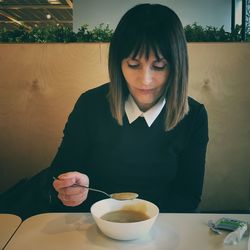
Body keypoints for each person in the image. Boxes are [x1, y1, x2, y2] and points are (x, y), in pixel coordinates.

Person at [21, 3, 206, 216]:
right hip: (91, 221)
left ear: (177, 66)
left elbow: (188, 195)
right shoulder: (90, 104)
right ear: (118, 63)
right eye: (134, 64)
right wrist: (69, 187)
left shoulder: (195, 116)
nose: (145, 80)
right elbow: (59, 172)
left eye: (159, 66)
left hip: (160, 227)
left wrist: (143, 224)